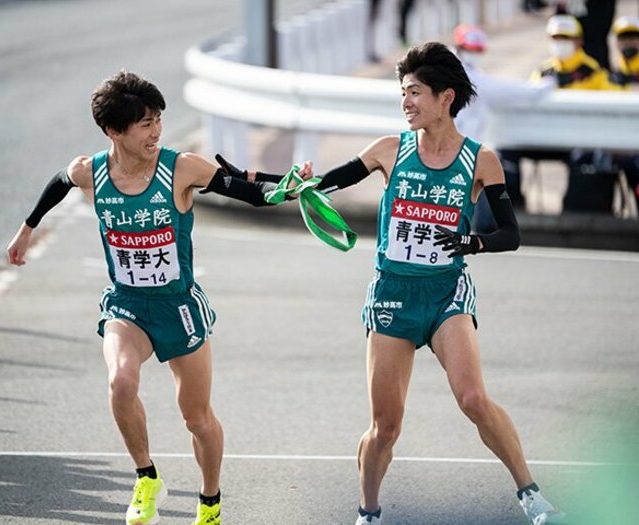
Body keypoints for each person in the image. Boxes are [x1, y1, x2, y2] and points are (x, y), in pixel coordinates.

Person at [216, 42, 566, 525]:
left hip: (446, 294)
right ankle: (369, 511)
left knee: (473, 399)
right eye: (402, 93)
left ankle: (530, 494)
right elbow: (318, 186)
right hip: (391, 297)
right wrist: (252, 179)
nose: (405, 102)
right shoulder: (388, 150)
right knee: (386, 427)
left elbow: (510, 234)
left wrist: (469, 242)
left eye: (415, 92)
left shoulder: (480, 161)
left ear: (446, 97)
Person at [6, 70, 306, 525]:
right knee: (121, 382)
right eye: (144, 123)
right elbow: (59, 182)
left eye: (158, 120)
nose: (156, 131)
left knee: (197, 417)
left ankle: (209, 504)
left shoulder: (180, 167)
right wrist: (26, 230)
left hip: (179, 307)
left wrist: (287, 184)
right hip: (127, 303)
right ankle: (146, 477)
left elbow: (247, 190)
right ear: (113, 131)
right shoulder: (91, 171)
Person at [498, 14, 621, 213]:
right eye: (556, 38)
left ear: (579, 40)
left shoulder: (595, 72)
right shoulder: (543, 72)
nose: (561, 43)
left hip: (578, 143)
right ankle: (510, 211)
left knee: (587, 157)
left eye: (566, 38)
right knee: (505, 151)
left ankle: (575, 216)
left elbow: (613, 105)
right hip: (545, 138)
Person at [451, 24, 554, 230]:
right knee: (488, 169)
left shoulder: (447, 71)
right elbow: (512, 91)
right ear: (460, 48)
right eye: (470, 50)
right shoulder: (471, 78)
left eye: (476, 51)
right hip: (461, 152)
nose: (473, 55)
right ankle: (481, 232)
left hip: (447, 148)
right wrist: (546, 84)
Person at [610, 16, 639, 210]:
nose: (628, 42)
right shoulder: (612, 75)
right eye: (623, 37)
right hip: (620, 145)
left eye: (633, 36)